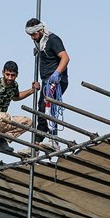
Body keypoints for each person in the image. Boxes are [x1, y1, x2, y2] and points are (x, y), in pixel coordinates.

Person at [25, 18, 70, 151]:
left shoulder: (52, 39)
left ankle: (54, 140)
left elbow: (65, 57)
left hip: (56, 79)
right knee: (42, 109)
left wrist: (56, 74)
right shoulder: (40, 42)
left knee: (49, 107)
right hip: (46, 81)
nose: (32, 37)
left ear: (40, 30)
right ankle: (37, 143)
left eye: (33, 34)